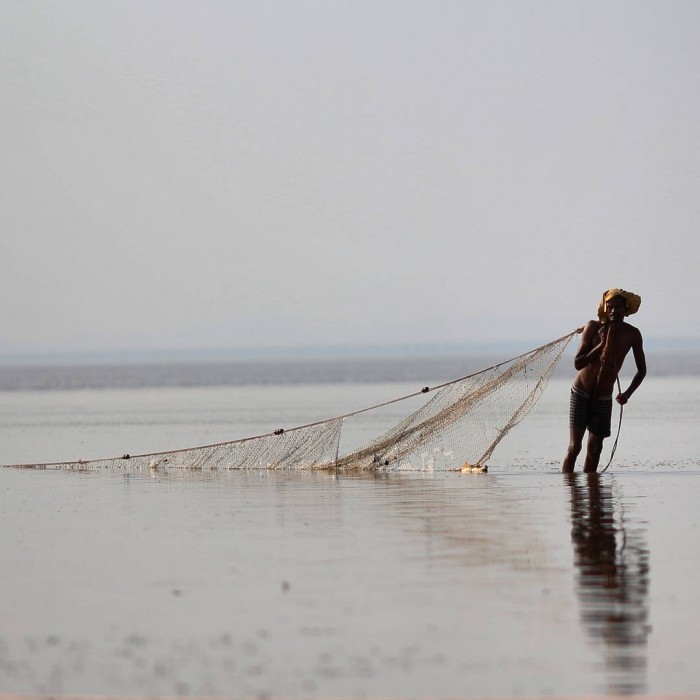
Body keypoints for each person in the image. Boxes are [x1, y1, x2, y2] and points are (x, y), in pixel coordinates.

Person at [562, 288, 647, 473]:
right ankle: (569, 490)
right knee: (575, 447)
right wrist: (599, 346)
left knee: (595, 448)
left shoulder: (632, 334)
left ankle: (592, 493)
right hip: (581, 393)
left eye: (618, 307)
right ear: (605, 308)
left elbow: (642, 370)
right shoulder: (593, 327)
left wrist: (627, 394)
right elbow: (578, 363)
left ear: (626, 309)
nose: (614, 311)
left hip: (603, 397)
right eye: (610, 307)